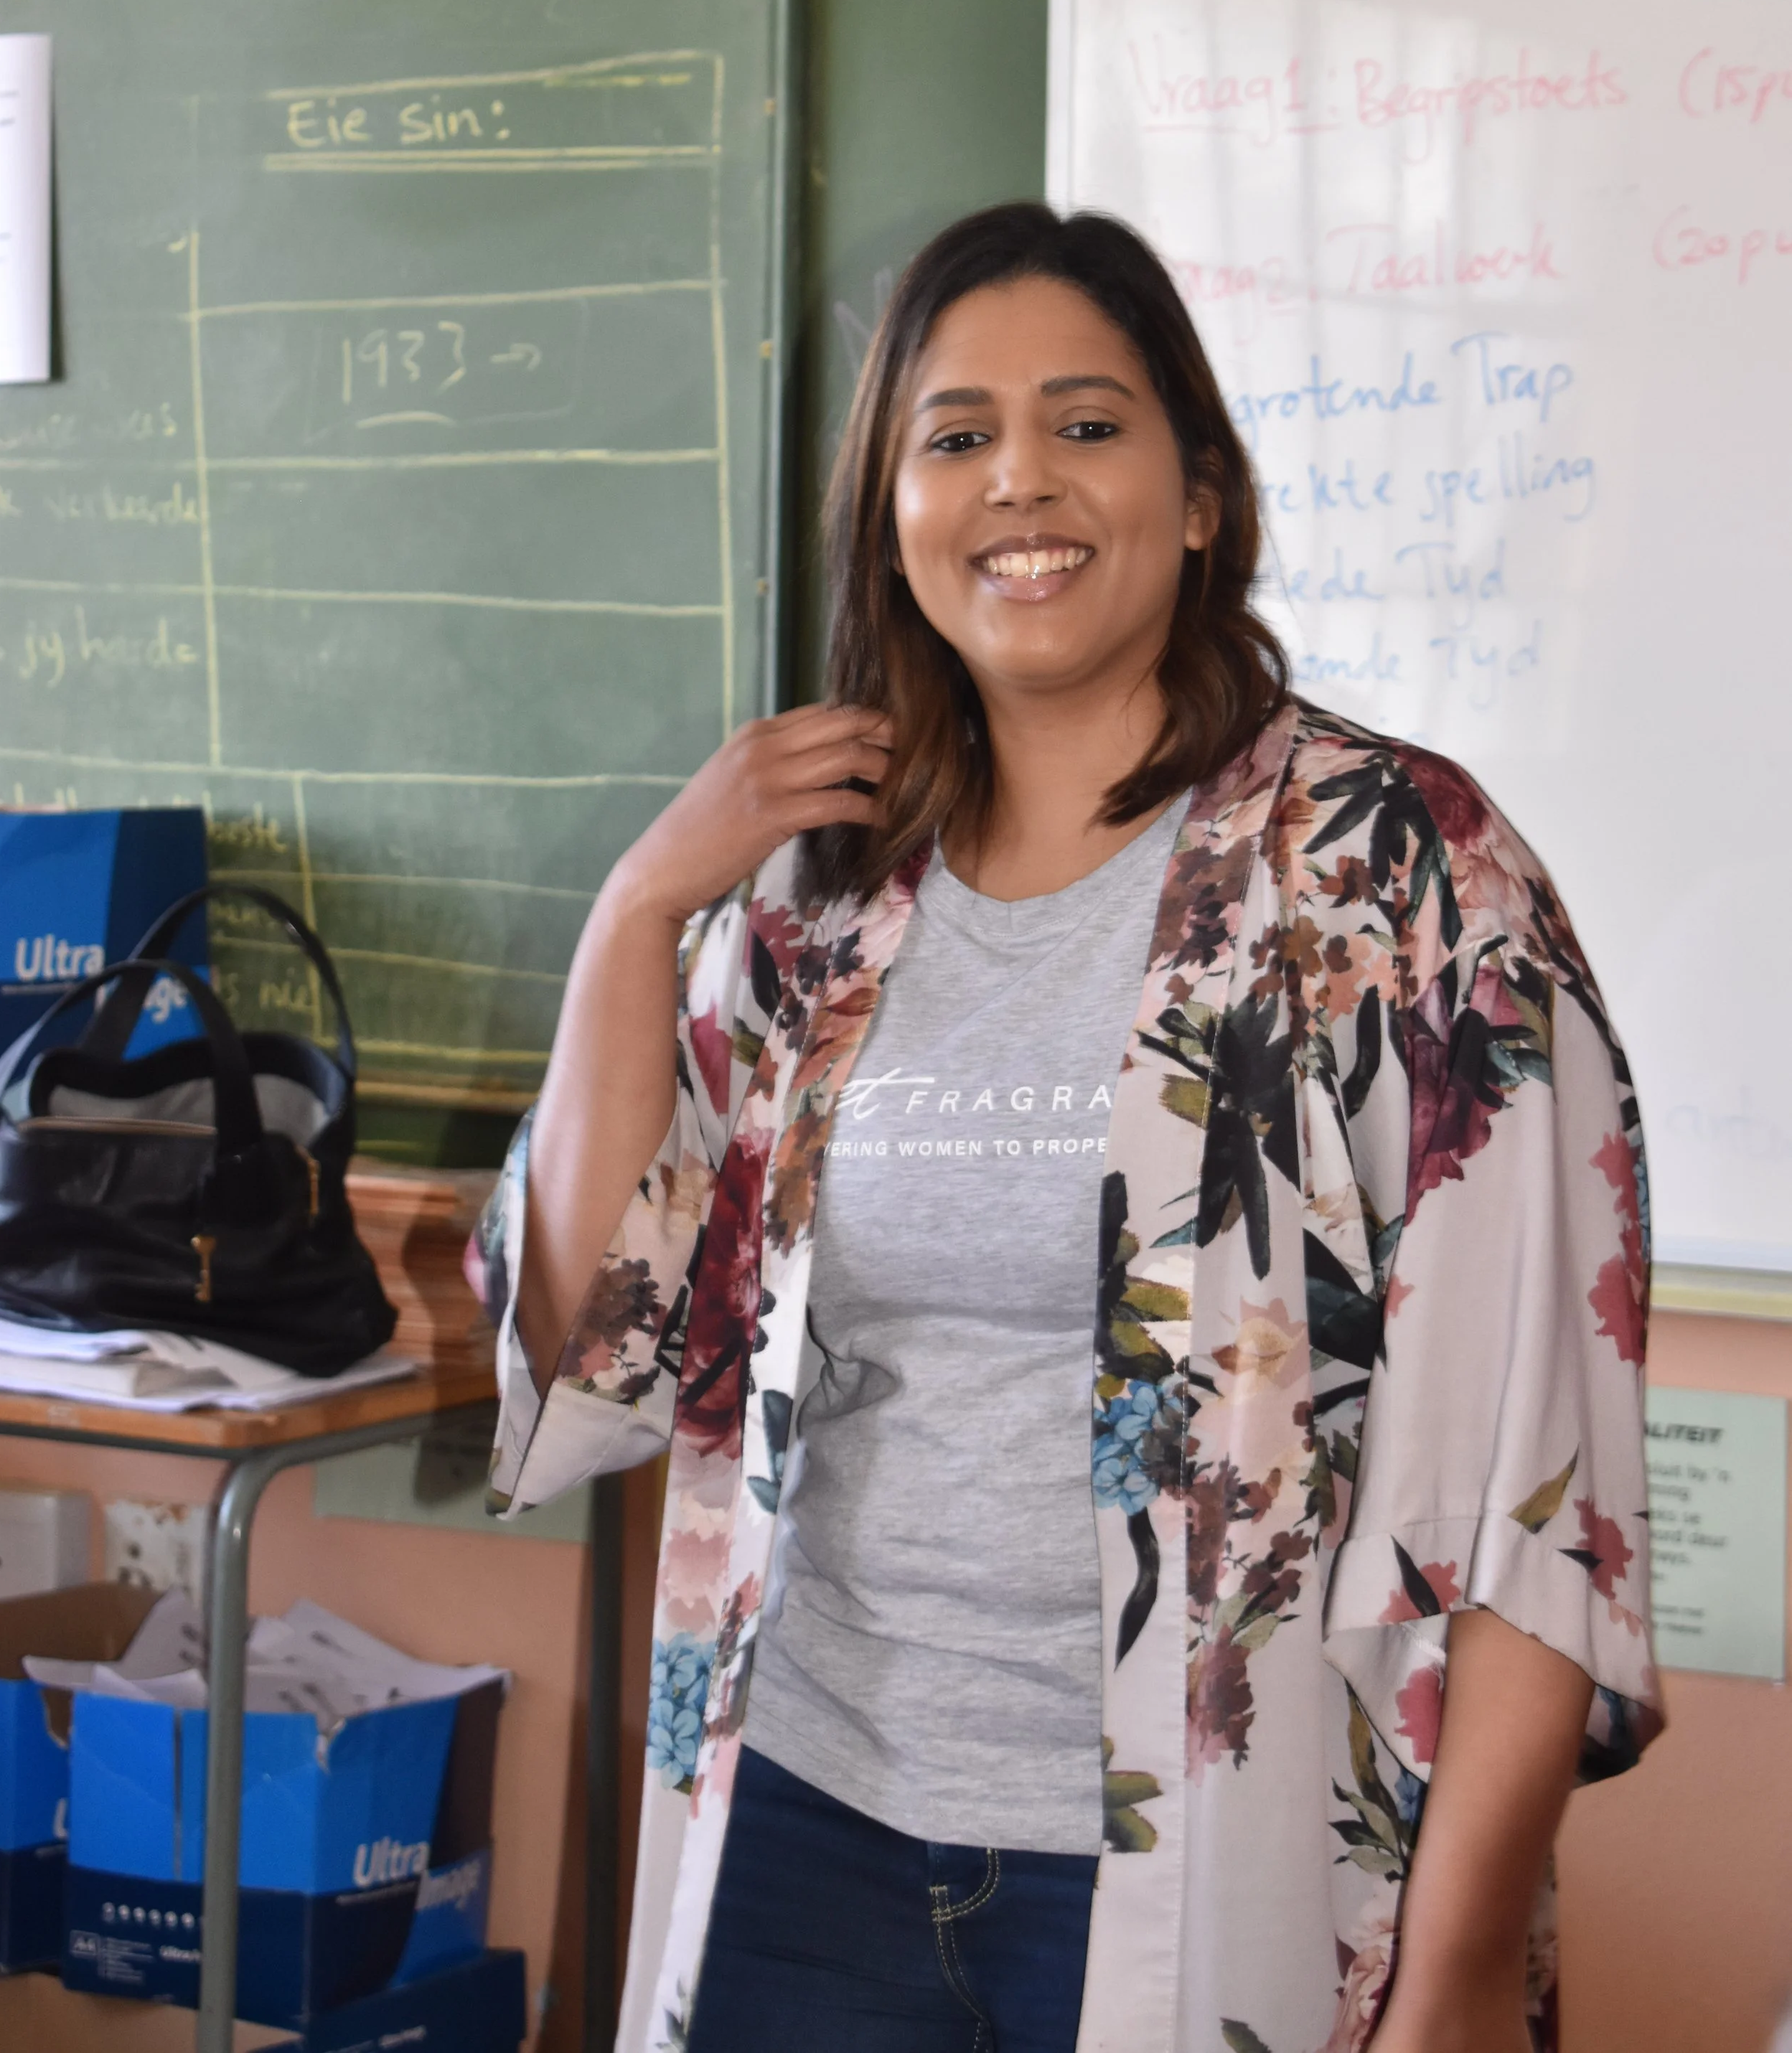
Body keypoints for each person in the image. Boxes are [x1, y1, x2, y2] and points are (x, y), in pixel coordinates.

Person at [472, 202, 1661, 2053]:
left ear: (1200, 498)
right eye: (956, 436)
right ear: (895, 512)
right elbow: (592, 1347)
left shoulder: (1395, 874)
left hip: (1221, 1858)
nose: (1019, 479)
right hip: (807, 1832)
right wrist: (635, 915)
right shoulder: (812, 898)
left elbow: (1534, 1489)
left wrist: (1450, 1985)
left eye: (1087, 424)